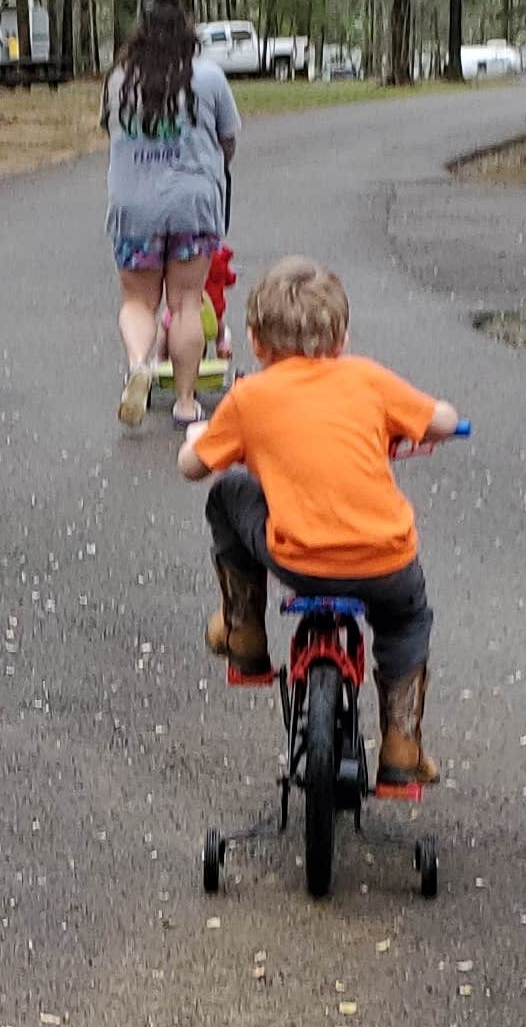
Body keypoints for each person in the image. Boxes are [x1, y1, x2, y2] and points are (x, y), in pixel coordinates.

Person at [178, 254, 458, 789]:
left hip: (300, 560)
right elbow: (440, 422)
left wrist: (199, 441)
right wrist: (439, 420)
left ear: (257, 342)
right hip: (385, 561)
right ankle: (402, 745)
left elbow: (193, 469)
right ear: (344, 336)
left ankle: (245, 633)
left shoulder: (248, 396)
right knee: (406, 622)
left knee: (229, 493)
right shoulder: (368, 380)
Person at [104, 0, 236, 427]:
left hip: (134, 206)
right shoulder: (209, 77)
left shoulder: (121, 79)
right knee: (185, 303)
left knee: (139, 302)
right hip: (192, 206)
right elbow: (228, 139)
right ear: (187, 31)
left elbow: (112, 133)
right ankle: (184, 402)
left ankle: (140, 363)